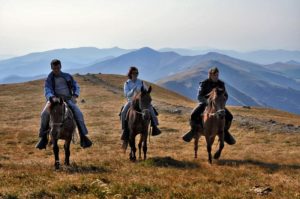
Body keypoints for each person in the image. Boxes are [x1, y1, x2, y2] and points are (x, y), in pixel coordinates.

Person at [35, 59, 92, 149]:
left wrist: (75, 95)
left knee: (79, 114)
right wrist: (52, 97)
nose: (56, 70)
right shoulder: (49, 79)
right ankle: (43, 138)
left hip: (68, 99)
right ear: (51, 68)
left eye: (57, 68)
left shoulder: (67, 76)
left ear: (60, 67)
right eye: (54, 68)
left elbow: (76, 86)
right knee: (44, 114)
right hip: (54, 99)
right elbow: (47, 90)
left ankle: (83, 136)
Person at [182, 67, 236, 145]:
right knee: (193, 115)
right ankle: (193, 131)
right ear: (210, 75)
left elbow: (226, 95)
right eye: (215, 75)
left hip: (218, 105)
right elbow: (199, 96)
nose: (216, 77)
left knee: (230, 116)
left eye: (217, 75)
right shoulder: (204, 83)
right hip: (205, 104)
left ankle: (225, 132)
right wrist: (208, 102)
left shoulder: (221, 84)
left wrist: (222, 102)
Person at [120, 66, 161, 145]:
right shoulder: (127, 83)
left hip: (141, 101)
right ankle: (124, 130)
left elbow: (146, 91)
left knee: (151, 109)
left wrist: (146, 94)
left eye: (137, 73)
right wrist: (133, 90)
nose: (135, 74)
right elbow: (126, 94)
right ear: (130, 74)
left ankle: (155, 126)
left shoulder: (141, 82)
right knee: (123, 112)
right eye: (134, 73)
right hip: (131, 101)